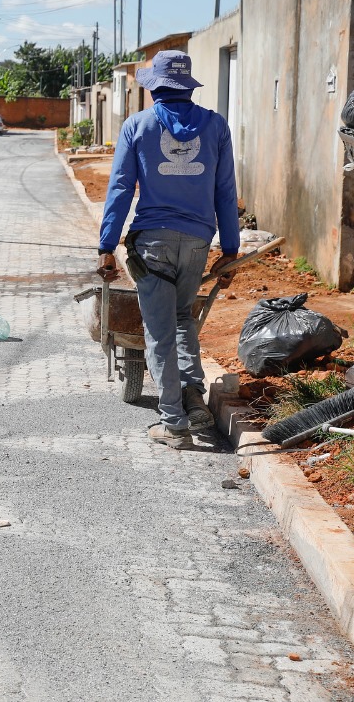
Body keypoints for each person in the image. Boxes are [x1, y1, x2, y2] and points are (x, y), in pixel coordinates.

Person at [97, 50, 240, 450]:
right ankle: (193, 397)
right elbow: (225, 191)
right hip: (197, 242)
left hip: (152, 245)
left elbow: (121, 189)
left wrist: (107, 246)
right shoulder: (215, 126)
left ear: (153, 86)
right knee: (182, 318)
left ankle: (173, 422)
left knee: (159, 332)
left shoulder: (137, 126)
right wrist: (230, 249)